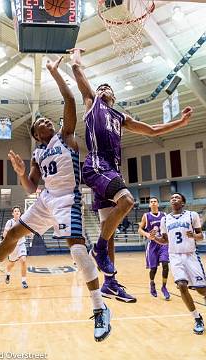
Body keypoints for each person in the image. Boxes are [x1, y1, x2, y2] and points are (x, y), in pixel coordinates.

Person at [0, 57, 111, 342]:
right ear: (36, 134)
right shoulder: (36, 154)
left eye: (47, 119)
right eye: (41, 122)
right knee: (12, 232)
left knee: (77, 252)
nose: (46, 120)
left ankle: (99, 307)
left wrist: (54, 72)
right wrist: (21, 173)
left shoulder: (65, 137)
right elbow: (31, 187)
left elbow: (69, 99)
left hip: (67, 200)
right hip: (45, 199)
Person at [70, 48, 193, 302]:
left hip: (111, 170)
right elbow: (77, 72)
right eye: (100, 87)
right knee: (127, 201)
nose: (103, 88)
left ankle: (110, 283)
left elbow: (151, 129)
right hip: (96, 165)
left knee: (109, 229)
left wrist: (179, 123)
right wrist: (76, 57)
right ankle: (99, 249)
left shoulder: (120, 117)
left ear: (113, 96)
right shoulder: (92, 103)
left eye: (107, 88)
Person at [150, 193, 206, 335]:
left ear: (183, 202)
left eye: (177, 197)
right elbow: (164, 240)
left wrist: (193, 235)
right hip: (174, 256)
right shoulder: (165, 219)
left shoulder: (192, 215)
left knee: (201, 290)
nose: (173, 199)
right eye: (172, 198)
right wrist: (154, 238)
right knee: (181, 285)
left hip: (191, 256)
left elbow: (200, 236)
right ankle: (197, 318)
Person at [138, 197, 170, 300]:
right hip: (152, 245)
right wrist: (147, 234)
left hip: (163, 243)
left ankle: (164, 287)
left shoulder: (164, 215)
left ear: (158, 204)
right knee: (153, 269)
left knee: (165, 264)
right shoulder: (146, 216)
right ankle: (152, 284)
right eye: (151, 202)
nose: (153, 203)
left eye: (155, 201)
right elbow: (140, 229)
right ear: (149, 205)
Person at [3, 206, 28, 289]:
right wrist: (6, 241)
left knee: (23, 260)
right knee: (12, 263)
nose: (17, 212)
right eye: (15, 211)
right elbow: (5, 233)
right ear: (13, 213)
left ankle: (23, 280)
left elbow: (27, 231)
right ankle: (7, 273)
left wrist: (30, 233)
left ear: (20, 213)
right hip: (13, 246)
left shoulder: (23, 221)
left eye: (18, 211)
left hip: (21, 244)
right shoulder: (10, 222)